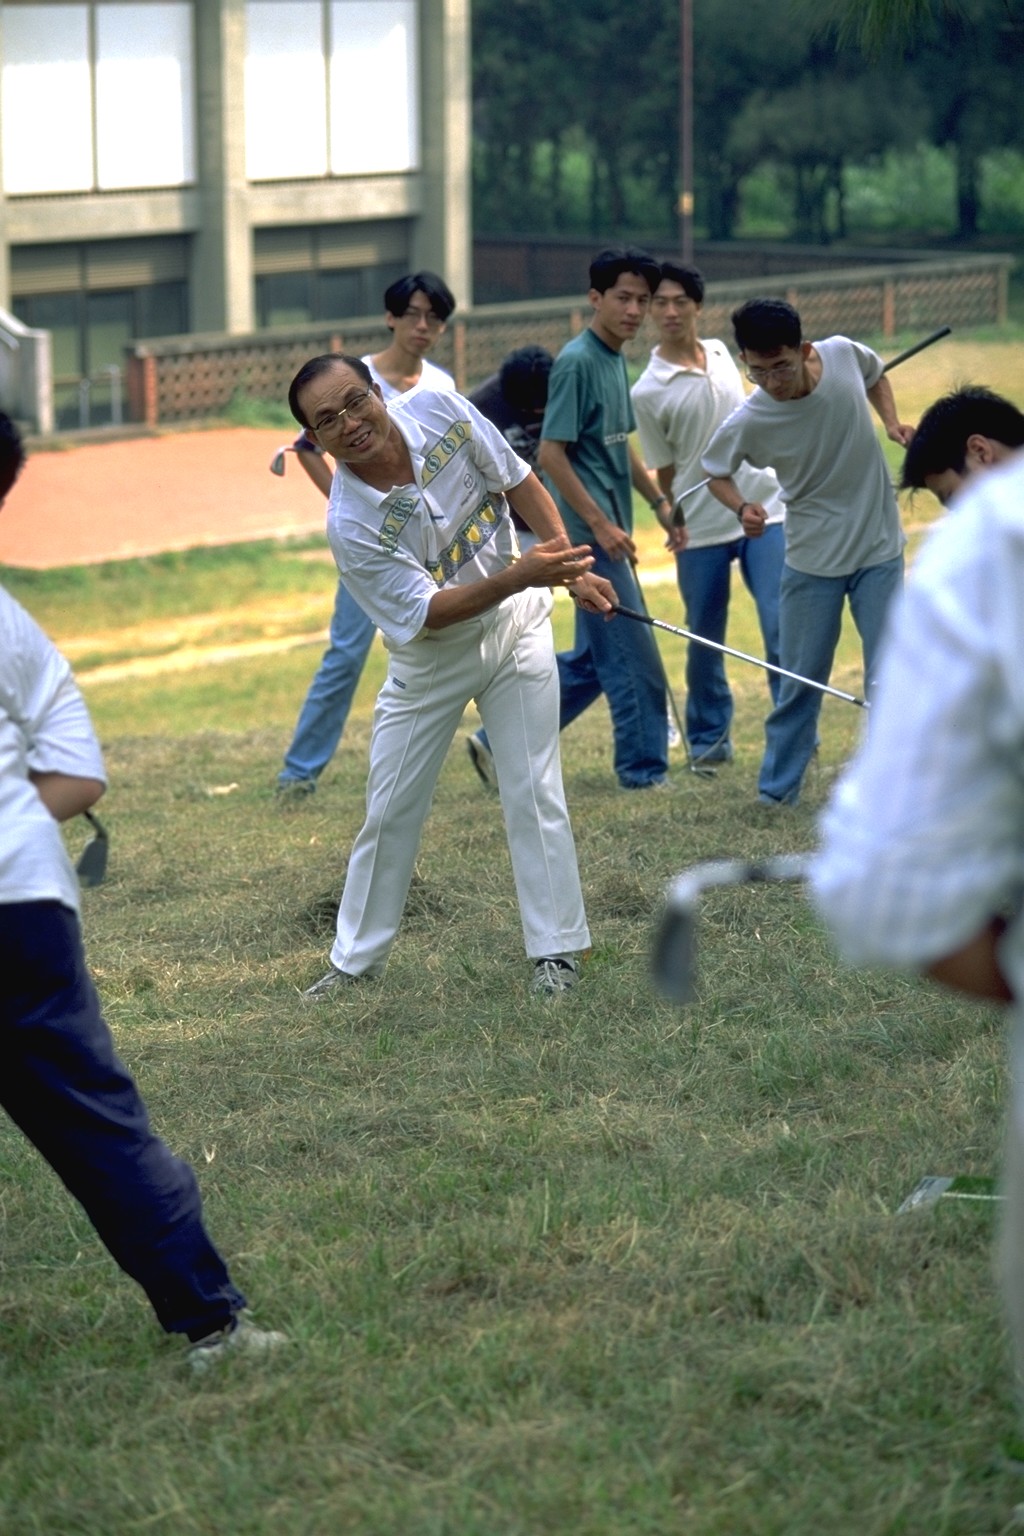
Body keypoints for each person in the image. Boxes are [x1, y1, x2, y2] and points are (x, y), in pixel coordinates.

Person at [0, 412, 284, 1369]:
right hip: (24, 905)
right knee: (97, 1122)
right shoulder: (15, 626)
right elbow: (78, 778)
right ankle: (213, 1324)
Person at [809, 397, 1024, 1458]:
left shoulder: (994, 541)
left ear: (981, 455)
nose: (952, 507)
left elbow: (880, 886)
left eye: (947, 491)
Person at [288, 354, 616, 999]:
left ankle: (556, 953)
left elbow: (519, 479)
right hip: (433, 658)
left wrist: (569, 568)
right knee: (391, 809)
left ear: (378, 392)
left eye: (356, 401)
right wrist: (520, 576)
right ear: (315, 440)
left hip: (518, 627)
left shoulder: (442, 409)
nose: (350, 422)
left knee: (534, 787)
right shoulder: (350, 524)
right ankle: (353, 964)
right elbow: (429, 614)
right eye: (328, 420)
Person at [701, 297, 913, 807]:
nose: (772, 382)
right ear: (745, 361)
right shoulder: (751, 419)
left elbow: (875, 375)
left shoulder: (842, 354)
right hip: (812, 558)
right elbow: (715, 472)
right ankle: (777, 792)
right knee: (799, 680)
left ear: (805, 350)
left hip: (878, 546)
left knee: (890, 672)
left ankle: (895, 785)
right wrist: (742, 508)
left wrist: (890, 422)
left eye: (781, 366)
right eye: (758, 372)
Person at [275, 271, 457, 800]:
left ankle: (461, 754)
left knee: (453, 640)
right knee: (347, 653)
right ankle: (298, 773)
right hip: (374, 549)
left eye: (435, 318)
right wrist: (353, 507)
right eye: (413, 314)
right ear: (391, 317)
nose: (423, 326)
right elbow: (306, 449)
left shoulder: (440, 385)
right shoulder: (352, 379)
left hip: (433, 545)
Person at [538, 247, 685, 792]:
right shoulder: (577, 361)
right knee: (633, 662)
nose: (635, 310)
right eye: (623, 298)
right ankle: (642, 772)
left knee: (592, 661)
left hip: (611, 532)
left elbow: (618, 445)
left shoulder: (616, 358)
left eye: (643, 300)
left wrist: (659, 503)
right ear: (595, 298)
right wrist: (598, 524)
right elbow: (551, 455)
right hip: (589, 541)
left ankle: (497, 740)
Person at [631, 262, 785, 767]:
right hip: (699, 524)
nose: (670, 312)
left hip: (763, 507)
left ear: (698, 305)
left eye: (680, 301)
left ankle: (794, 732)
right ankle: (709, 741)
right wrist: (672, 516)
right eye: (659, 303)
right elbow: (665, 470)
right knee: (704, 639)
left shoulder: (722, 353)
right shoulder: (646, 391)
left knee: (780, 625)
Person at [463, 345, 554, 788]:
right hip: (507, 535)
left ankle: (509, 745)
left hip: (554, 521)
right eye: (528, 409)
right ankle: (503, 742)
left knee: (543, 644)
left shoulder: (562, 387)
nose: (537, 413)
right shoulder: (481, 407)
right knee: (515, 637)